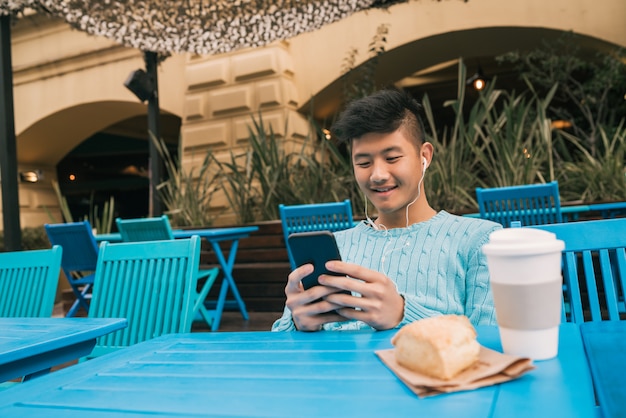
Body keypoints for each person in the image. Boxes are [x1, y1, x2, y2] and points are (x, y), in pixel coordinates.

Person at [272, 88, 501, 332]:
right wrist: (296, 324)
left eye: (392, 158)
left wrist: (403, 314)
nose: (378, 175)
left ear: (424, 156)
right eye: (363, 163)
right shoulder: (335, 248)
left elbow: (494, 344)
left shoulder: (479, 240)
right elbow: (285, 351)